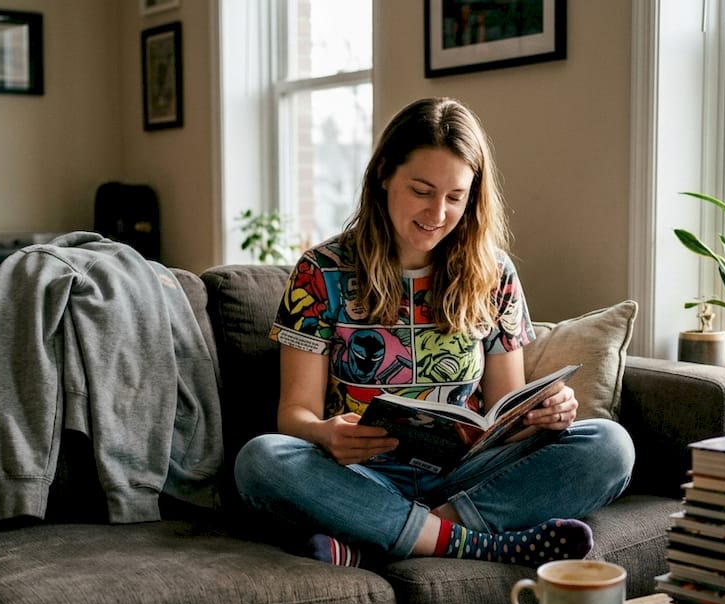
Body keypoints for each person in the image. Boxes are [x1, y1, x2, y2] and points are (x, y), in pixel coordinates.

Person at [235, 97, 634, 568]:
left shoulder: (494, 274)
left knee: (610, 446)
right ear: (384, 174)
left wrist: (543, 414)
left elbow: (503, 411)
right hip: (363, 474)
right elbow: (294, 413)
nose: (438, 212)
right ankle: (481, 543)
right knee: (261, 460)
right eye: (422, 190)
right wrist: (323, 433)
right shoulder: (320, 273)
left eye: (455, 197)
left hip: (466, 476)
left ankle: (378, 537)